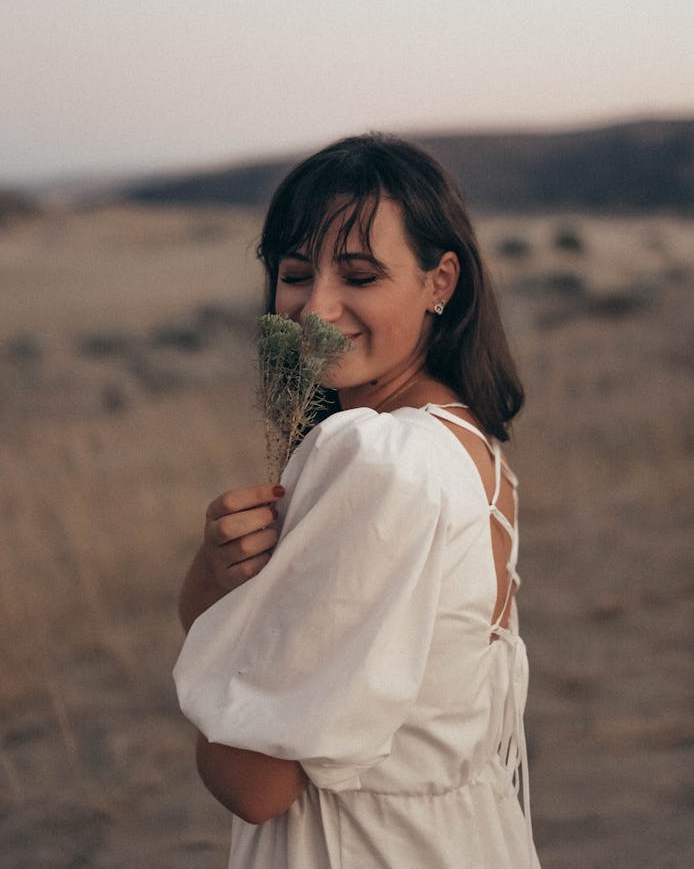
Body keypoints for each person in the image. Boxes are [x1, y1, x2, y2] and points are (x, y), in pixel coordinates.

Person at [174, 133, 541, 868]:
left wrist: (217, 676)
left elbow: (256, 780)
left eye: (361, 274)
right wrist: (217, 578)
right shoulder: (468, 446)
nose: (317, 308)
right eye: (296, 273)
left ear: (441, 281)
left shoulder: (374, 457)